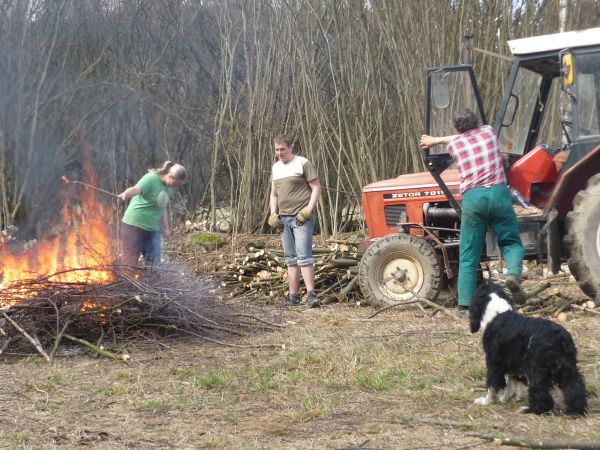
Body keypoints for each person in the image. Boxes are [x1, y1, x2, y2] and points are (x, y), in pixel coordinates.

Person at [419, 108, 526, 311]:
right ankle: (513, 274)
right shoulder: (488, 132)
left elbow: (456, 138)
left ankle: (465, 307)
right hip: (498, 194)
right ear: (476, 123)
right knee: (511, 241)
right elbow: (471, 133)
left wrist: (434, 140)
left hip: (474, 198)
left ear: (457, 129)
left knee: (469, 253)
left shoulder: (455, 145)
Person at [269, 134, 321, 307]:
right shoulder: (276, 168)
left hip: (301, 218)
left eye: (282, 149)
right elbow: (274, 194)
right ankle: (293, 296)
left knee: (304, 256)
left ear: (291, 147)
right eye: (277, 149)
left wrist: (308, 210)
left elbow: (316, 188)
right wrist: (273, 214)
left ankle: (311, 295)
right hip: (284, 219)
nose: (279, 153)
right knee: (291, 258)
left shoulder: (302, 163)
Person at [117, 161, 186, 267]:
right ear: (171, 177)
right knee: (130, 262)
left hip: (152, 229)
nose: (175, 187)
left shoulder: (168, 187)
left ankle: (149, 283)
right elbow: (136, 189)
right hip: (134, 225)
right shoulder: (151, 178)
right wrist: (125, 194)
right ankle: (126, 282)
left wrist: (166, 228)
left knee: (154, 264)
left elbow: (162, 207)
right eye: (176, 184)